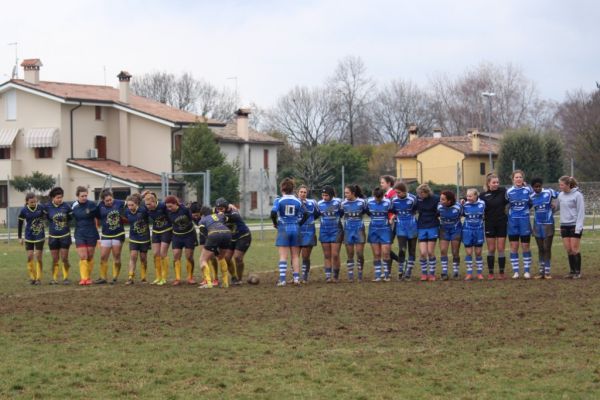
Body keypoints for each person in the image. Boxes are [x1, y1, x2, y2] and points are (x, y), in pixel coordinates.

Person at [270, 178, 307, 286]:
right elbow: (306, 214)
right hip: (295, 228)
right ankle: (296, 279)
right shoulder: (298, 201)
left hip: (284, 228)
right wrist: (299, 224)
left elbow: (273, 213)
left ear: (282, 189)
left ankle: (282, 280)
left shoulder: (279, 200)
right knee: (295, 255)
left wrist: (275, 223)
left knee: (283, 256)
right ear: (293, 189)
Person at [215, 198, 252, 285]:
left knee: (237, 257)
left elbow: (234, 216)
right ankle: (234, 277)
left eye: (221, 209)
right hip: (231, 238)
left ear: (227, 207)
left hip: (243, 236)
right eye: (218, 209)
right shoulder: (217, 212)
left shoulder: (234, 212)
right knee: (226, 258)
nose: (219, 211)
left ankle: (239, 279)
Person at [480, 173, 509, 279]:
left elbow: (514, 194)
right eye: (494, 182)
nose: (496, 184)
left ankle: (501, 272)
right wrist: (464, 199)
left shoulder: (503, 191)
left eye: (497, 182)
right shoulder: (483, 195)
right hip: (489, 224)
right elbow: (473, 199)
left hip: (501, 223)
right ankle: (491, 273)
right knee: (491, 249)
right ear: (488, 183)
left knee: (501, 248)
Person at [197, 206, 233, 289]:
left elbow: (205, 234)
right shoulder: (219, 215)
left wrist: (212, 246)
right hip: (227, 233)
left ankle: (209, 283)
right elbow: (227, 218)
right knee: (221, 257)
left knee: (203, 260)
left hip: (214, 234)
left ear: (202, 215)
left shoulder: (202, 220)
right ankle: (225, 282)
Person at [506, 170, 533, 279]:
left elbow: (531, 202)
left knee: (525, 246)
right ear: (513, 179)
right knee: (514, 246)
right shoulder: (508, 192)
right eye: (516, 177)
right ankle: (516, 272)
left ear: (523, 179)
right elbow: (506, 206)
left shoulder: (528, 190)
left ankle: (527, 271)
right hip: (513, 222)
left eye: (520, 177)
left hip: (524, 221)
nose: (518, 179)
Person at [164, 195, 197, 285]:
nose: (169, 208)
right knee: (176, 256)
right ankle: (177, 278)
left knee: (189, 256)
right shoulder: (168, 212)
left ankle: (190, 277)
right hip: (176, 236)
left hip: (189, 235)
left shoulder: (185, 209)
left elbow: (193, 219)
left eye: (171, 206)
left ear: (176, 204)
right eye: (167, 207)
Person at [71, 186, 100, 286]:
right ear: (77, 196)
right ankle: (83, 278)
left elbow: (99, 215)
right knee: (83, 256)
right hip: (80, 233)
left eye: (86, 196)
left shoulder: (92, 204)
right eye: (82, 196)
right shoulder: (74, 206)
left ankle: (88, 277)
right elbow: (69, 217)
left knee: (90, 256)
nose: (84, 197)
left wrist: (94, 211)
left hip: (91, 233)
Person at [96, 189, 126, 284]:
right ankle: (103, 277)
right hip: (106, 234)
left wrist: (141, 195)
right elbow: (95, 217)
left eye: (110, 200)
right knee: (103, 256)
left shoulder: (119, 203)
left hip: (118, 234)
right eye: (107, 201)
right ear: (103, 200)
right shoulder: (100, 206)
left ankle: (115, 277)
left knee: (116, 256)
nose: (109, 202)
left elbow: (132, 201)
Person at [557, 176, 585, 279]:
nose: (560, 187)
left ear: (568, 185)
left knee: (574, 249)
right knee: (568, 249)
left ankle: (578, 272)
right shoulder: (560, 195)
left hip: (574, 225)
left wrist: (578, 227)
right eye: (559, 185)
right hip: (564, 225)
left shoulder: (578, 195)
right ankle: (572, 271)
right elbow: (557, 207)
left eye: (562, 185)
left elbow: (581, 212)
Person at [530, 178, 558, 280]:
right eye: (535, 187)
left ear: (542, 185)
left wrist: (555, 205)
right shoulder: (531, 196)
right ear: (532, 187)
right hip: (537, 225)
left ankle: (547, 272)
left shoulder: (549, 192)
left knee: (547, 248)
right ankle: (541, 272)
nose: (538, 188)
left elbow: (561, 195)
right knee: (541, 248)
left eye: (539, 186)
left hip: (549, 224)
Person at [390, 182, 418, 280]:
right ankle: (400, 271)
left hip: (412, 226)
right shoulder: (393, 199)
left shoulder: (413, 198)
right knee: (402, 249)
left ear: (404, 191)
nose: (397, 194)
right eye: (396, 192)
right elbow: (393, 210)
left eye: (399, 192)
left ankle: (409, 271)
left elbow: (415, 209)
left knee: (412, 250)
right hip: (400, 226)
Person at [44, 187, 72, 285]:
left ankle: (65, 278)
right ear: (53, 198)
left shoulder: (66, 207)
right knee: (55, 259)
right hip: (53, 237)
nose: (60, 199)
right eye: (58, 197)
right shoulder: (47, 207)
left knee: (64, 258)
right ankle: (54, 278)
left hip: (65, 236)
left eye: (61, 197)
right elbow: (47, 218)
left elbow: (70, 218)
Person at [142, 191, 171, 285]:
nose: (148, 206)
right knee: (155, 254)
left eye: (149, 204)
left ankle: (164, 277)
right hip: (155, 232)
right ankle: (158, 277)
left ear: (154, 202)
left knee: (163, 254)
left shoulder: (163, 206)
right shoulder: (147, 209)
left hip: (166, 231)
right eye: (146, 204)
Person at [317, 186, 344, 283]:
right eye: (323, 195)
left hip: (336, 230)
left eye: (326, 195)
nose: (324, 197)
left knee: (335, 254)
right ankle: (328, 276)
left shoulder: (338, 202)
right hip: (324, 231)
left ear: (331, 195)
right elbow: (317, 215)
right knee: (327, 255)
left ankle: (336, 276)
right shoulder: (319, 204)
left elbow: (342, 213)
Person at [17, 193, 45, 285]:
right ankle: (32, 277)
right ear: (27, 202)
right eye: (31, 202)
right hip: (29, 236)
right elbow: (20, 224)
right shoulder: (24, 210)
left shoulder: (41, 208)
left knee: (38, 257)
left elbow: (48, 216)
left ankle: (38, 278)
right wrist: (19, 237)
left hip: (39, 235)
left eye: (35, 201)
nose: (33, 203)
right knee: (29, 257)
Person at [341, 184, 368, 282]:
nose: (345, 195)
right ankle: (350, 274)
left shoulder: (362, 202)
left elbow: (367, 212)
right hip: (348, 230)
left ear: (353, 193)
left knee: (360, 253)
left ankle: (360, 274)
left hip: (359, 230)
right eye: (345, 193)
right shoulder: (343, 204)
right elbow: (340, 214)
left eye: (347, 193)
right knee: (350, 254)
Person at [366, 187, 393, 282]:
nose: (378, 200)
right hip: (373, 230)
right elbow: (366, 211)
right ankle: (377, 275)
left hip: (385, 230)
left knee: (386, 253)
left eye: (379, 198)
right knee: (376, 254)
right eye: (376, 198)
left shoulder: (388, 202)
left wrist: (391, 219)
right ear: (373, 196)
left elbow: (394, 212)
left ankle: (387, 275)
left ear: (382, 196)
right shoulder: (369, 202)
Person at [123, 194, 150, 285]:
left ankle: (143, 277)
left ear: (137, 204)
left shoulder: (143, 210)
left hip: (144, 238)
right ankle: (130, 277)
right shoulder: (127, 211)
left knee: (143, 258)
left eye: (132, 205)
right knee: (133, 256)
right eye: (128, 205)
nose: (130, 207)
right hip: (133, 237)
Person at [415, 184, 440, 281]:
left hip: (433, 226)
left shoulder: (436, 199)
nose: (419, 195)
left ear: (426, 192)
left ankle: (432, 274)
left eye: (421, 193)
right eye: (418, 194)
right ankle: (424, 274)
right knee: (423, 253)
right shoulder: (418, 199)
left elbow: (442, 208)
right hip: (421, 227)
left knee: (430, 252)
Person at [297, 185, 320, 283]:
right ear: (297, 193)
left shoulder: (313, 203)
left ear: (307, 193)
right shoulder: (294, 202)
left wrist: (309, 221)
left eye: (304, 192)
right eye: (301, 192)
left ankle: (305, 277)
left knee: (305, 256)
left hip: (309, 232)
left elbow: (317, 214)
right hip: (296, 232)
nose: (302, 194)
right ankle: (295, 277)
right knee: (295, 256)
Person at [437, 191, 462, 280]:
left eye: (443, 199)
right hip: (444, 229)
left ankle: (456, 272)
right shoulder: (439, 206)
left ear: (449, 201)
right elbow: (436, 215)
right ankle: (444, 272)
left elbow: (463, 214)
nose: (440, 201)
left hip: (456, 230)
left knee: (455, 251)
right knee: (443, 250)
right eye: (440, 199)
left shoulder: (458, 207)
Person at [462, 189, 486, 280]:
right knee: (468, 253)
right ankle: (469, 273)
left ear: (476, 196)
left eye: (470, 196)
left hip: (479, 230)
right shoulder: (464, 204)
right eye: (467, 196)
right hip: (467, 230)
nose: (468, 198)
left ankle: (479, 273)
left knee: (478, 252)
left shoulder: (483, 204)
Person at [379, 175, 400, 274]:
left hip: (392, 223)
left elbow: (398, 207)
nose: (381, 184)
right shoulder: (386, 194)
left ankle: (401, 261)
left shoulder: (393, 193)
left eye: (382, 182)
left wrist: (393, 217)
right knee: (386, 248)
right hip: (386, 223)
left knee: (385, 247)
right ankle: (388, 271)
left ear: (389, 183)